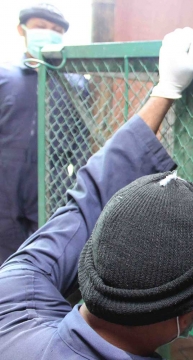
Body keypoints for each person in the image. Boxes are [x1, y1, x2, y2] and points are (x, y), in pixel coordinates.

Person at [0, 27, 193, 359]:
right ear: (183, 320)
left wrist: (164, 91)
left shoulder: (11, 298)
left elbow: (84, 208)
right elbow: (86, 207)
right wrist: (166, 89)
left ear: (88, 258)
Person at [0, 3, 91, 263]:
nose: (48, 34)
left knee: (44, 249)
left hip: (53, 176)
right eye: (40, 27)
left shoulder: (74, 84)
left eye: (56, 30)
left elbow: (81, 140)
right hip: (5, 178)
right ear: (22, 29)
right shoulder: (5, 76)